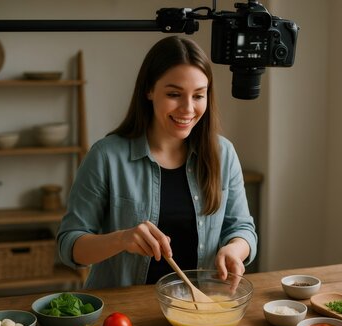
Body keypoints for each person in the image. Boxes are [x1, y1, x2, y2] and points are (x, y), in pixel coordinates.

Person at [57, 36, 257, 289]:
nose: (188, 108)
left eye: (198, 96)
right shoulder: (106, 156)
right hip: (124, 312)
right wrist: (122, 239)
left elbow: (242, 227)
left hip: (199, 306)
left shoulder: (223, 153)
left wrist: (235, 249)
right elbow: (68, 246)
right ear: (149, 90)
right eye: (174, 94)